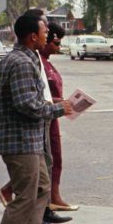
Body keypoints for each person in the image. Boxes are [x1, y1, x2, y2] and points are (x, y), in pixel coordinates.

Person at [0, 14, 72, 224]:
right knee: (25, 195)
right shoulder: (21, 62)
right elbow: (26, 104)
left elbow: (32, 99)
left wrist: (55, 106)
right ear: (33, 36)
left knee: (42, 187)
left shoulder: (28, 57)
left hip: (30, 138)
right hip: (19, 139)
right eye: (45, 31)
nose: (49, 35)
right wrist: (57, 109)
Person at [42, 22, 79, 214]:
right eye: (56, 43)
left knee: (55, 157)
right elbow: (40, 95)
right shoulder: (38, 61)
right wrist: (58, 101)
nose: (58, 48)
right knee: (47, 160)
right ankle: (47, 203)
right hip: (45, 115)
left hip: (54, 114)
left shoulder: (47, 62)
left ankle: (53, 198)